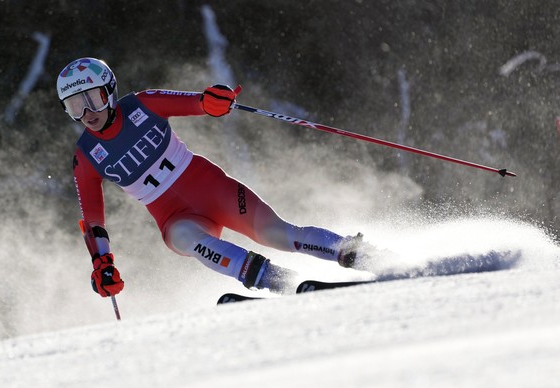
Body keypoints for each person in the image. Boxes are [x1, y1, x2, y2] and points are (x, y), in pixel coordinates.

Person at [57, 57, 367, 298]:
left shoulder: (143, 103)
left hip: (210, 188)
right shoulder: (85, 155)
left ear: (109, 92)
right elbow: (93, 221)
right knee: (187, 240)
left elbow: (197, 102)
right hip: (175, 218)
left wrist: (213, 103)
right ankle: (280, 281)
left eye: (93, 99)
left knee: (277, 233)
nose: (87, 112)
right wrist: (103, 263)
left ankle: (357, 252)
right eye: (74, 106)